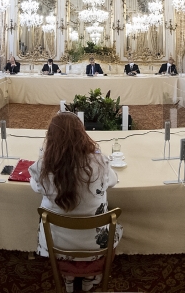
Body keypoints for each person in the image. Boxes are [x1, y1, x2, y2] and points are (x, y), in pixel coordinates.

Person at [29, 112, 122, 291]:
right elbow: (113, 180)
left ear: (50, 138)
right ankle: (90, 277)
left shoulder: (42, 167)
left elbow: (35, 186)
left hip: (57, 243)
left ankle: (69, 278)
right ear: (82, 134)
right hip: (96, 244)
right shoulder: (99, 162)